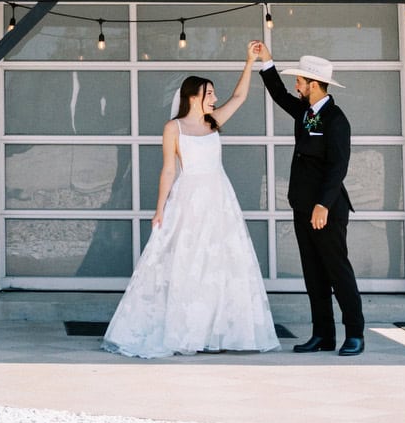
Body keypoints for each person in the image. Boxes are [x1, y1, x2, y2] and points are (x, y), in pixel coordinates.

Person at [101, 44, 277, 358]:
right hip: (189, 198)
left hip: (219, 198)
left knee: (221, 263)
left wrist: (250, 61)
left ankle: (216, 330)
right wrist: (159, 208)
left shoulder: (213, 122)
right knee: (187, 261)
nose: (214, 97)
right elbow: (168, 169)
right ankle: (186, 330)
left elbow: (240, 98)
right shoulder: (174, 128)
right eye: (209, 93)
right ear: (193, 96)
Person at [259, 51, 365, 356]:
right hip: (302, 206)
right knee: (313, 274)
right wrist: (267, 61)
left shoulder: (336, 119)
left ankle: (355, 333)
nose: (296, 85)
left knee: (337, 271)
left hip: (327, 209)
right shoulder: (305, 112)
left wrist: (323, 205)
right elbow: (278, 94)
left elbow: (338, 167)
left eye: (300, 81)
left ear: (314, 85)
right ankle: (323, 334)